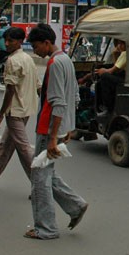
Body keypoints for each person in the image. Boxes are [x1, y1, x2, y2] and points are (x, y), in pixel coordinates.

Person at [26, 23, 89, 240]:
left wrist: (53, 137)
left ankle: (46, 227)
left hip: (48, 129)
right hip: (61, 127)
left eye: (35, 46)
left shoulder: (54, 64)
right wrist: (68, 128)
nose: (34, 50)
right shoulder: (66, 60)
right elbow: (74, 96)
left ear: (46, 43)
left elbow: (58, 102)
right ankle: (75, 205)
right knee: (47, 171)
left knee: (39, 177)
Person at [0, 26, 37, 192]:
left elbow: (10, 91)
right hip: (26, 109)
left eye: (11, 41)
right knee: (4, 146)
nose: (7, 44)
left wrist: (0, 115)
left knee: (24, 150)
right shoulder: (28, 59)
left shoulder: (13, 61)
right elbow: (37, 85)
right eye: (6, 40)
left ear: (20, 42)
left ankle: (41, 183)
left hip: (15, 111)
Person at [94, 38, 126, 112]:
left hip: (125, 80)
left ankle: (108, 107)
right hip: (125, 77)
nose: (119, 46)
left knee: (104, 76)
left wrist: (103, 71)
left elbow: (111, 71)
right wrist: (115, 54)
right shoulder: (124, 54)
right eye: (118, 44)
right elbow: (116, 67)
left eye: (121, 44)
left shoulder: (125, 53)